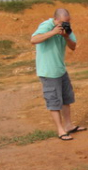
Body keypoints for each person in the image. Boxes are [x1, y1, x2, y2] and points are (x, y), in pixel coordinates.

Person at [31, 8, 85, 141]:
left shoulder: (67, 29)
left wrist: (66, 36)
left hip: (60, 69)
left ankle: (68, 125)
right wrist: (53, 32)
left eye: (67, 22)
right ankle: (60, 130)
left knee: (67, 99)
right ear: (55, 20)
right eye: (62, 22)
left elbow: (73, 46)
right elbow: (33, 40)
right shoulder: (46, 26)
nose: (65, 24)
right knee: (54, 101)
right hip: (49, 71)